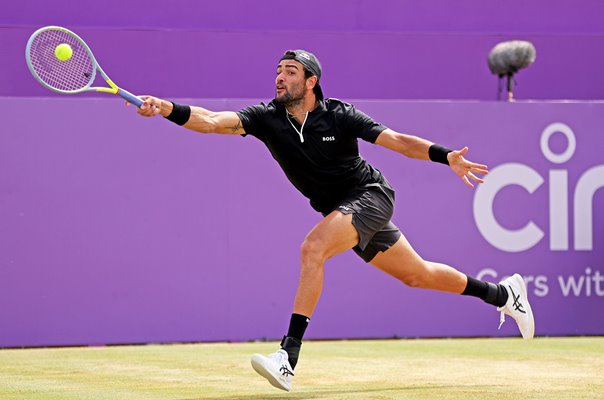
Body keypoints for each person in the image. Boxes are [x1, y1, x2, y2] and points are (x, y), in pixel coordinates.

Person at [132, 49, 535, 392]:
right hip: (340, 211)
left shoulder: (339, 115)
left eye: (290, 72)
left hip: (370, 196)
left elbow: (396, 140)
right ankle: (503, 294)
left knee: (313, 248)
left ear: (311, 82)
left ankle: (287, 357)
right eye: (277, 71)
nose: (279, 78)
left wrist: (444, 154)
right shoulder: (266, 118)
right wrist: (166, 108)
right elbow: (212, 121)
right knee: (418, 275)